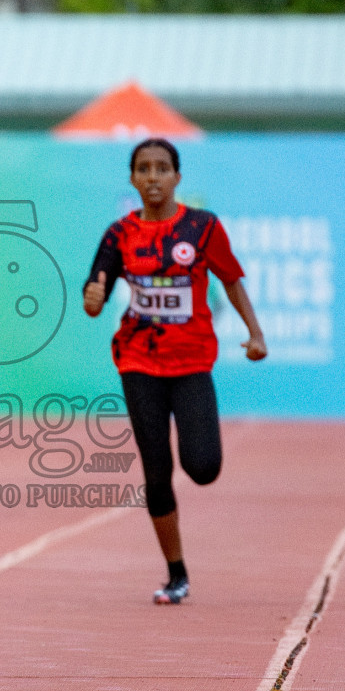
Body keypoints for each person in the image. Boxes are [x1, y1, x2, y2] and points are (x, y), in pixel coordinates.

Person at [84, 137, 267, 605]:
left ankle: (193, 476)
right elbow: (97, 288)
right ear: (132, 178)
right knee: (156, 470)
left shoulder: (202, 228)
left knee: (203, 467)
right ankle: (176, 571)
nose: (152, 177)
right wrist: (92, 297)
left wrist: (255, 332)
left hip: (190, 361)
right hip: (139, 361)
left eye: (162, 168)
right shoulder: (119, 234)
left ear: (177, 177)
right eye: (143, 169)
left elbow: (231, 279)